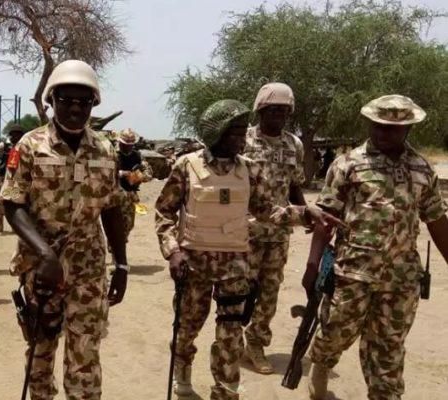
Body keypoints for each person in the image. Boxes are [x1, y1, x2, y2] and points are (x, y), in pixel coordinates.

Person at [155, 99, 338, 400]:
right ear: (216, 133)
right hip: (194, 264)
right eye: (235, 132)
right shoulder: (186, 166)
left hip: (235, 267)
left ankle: (225, 391)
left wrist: (305, 214)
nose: (243, 139)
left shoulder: (250, 171)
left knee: (229, 335)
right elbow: (164, 213)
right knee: (187, 328)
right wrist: (173, 251)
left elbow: (270, 210)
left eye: (242, 132)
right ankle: (183, 370)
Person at [0, 59, 129, 400]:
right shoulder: (29, 145)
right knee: (42, 349)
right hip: (41, 267)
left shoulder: (106, 148)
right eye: (66, 100)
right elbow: (12, 204)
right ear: (52, 100)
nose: (75, 108)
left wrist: (122, 264)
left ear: (93, 104)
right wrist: (44, 254)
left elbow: (112, 208)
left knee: (86, 351)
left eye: (83, 101)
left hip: (89, 266)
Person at [305, 95, 448, 400]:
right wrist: (312, 264)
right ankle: (322, 363)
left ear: (408, 128)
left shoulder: (422, 169)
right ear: (370, 124)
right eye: (380, 126)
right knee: (335, 332)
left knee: (388, 347)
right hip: (352, 272)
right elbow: (325, 217)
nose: (385, 133)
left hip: (401, 279)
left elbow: (436, 219)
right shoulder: (348, 164)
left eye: (394, 128)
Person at [240, 82, 307, 373]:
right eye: (273, 110)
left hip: (279, 234)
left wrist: (307, 216)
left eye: (284, 111)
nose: (279, 115)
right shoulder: (243, 140)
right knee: (241, 289)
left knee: (270, 291)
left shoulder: (294, 144)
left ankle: (255, 343)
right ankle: (230, 341)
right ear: (260, 110)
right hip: (245, 232)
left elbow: (294, 185)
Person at [116, 128, 153, 243]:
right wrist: (122, 174)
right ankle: (116, 247)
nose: (128, 147)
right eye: (125, 144)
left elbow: (149, 173)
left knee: (129, 223)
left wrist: (139, 177)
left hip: (131, 194)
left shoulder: (137, 156)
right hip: (115, 193)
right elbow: (103, 172)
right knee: (116, 223)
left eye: (130, 145)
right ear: (120, 143)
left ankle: (119, 242)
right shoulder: (112, 154)